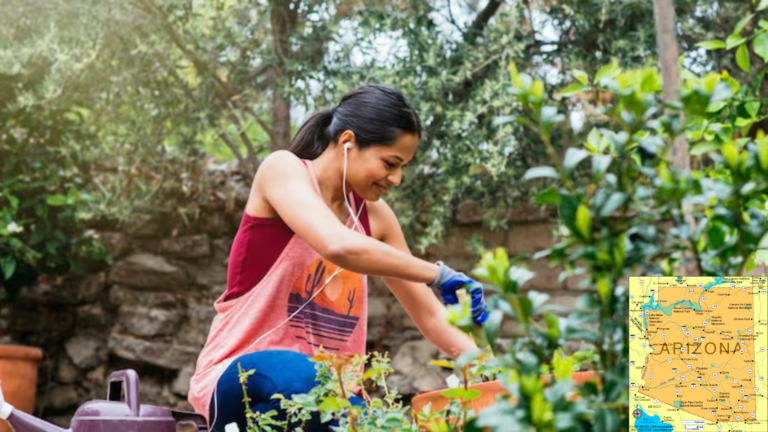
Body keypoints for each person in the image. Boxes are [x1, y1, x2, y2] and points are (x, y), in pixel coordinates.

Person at [188, 84, 489, 432]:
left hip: (333, 400)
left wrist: (493, 373)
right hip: (241, 378)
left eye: (403, 166)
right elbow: (337, 244)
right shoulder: (283, 171)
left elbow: (431, 316)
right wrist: (439, 274)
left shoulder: (376, 216)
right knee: (305, 378)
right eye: (390, 163)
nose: (397, 178)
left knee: (379, 422)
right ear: (348, 142)